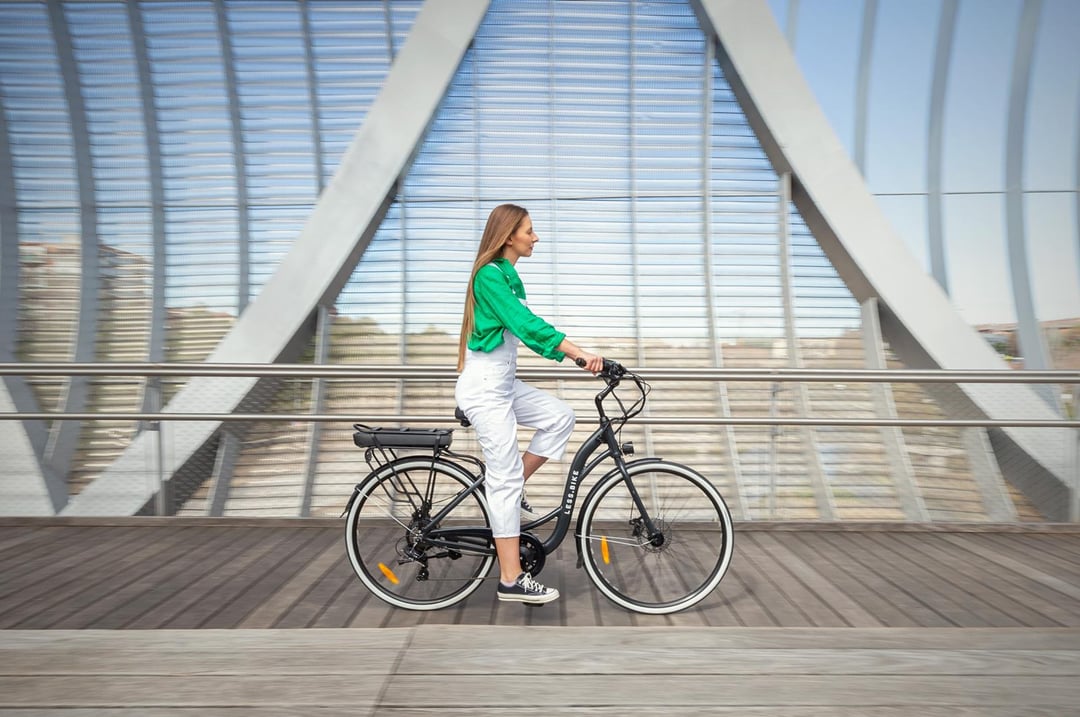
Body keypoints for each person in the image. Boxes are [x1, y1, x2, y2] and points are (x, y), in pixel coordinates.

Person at [455, 203, 603, 604]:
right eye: (529, 231)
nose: (535, 237)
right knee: (503, 481)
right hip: (485, 389)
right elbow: (525, 325)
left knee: (560, 416)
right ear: (509, 237)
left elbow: (527, 326)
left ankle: (510, 488)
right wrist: (578, 353)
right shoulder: (489, 275)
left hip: (501, 385)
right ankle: (510, 579)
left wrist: (573, 355)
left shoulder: (508, 276)